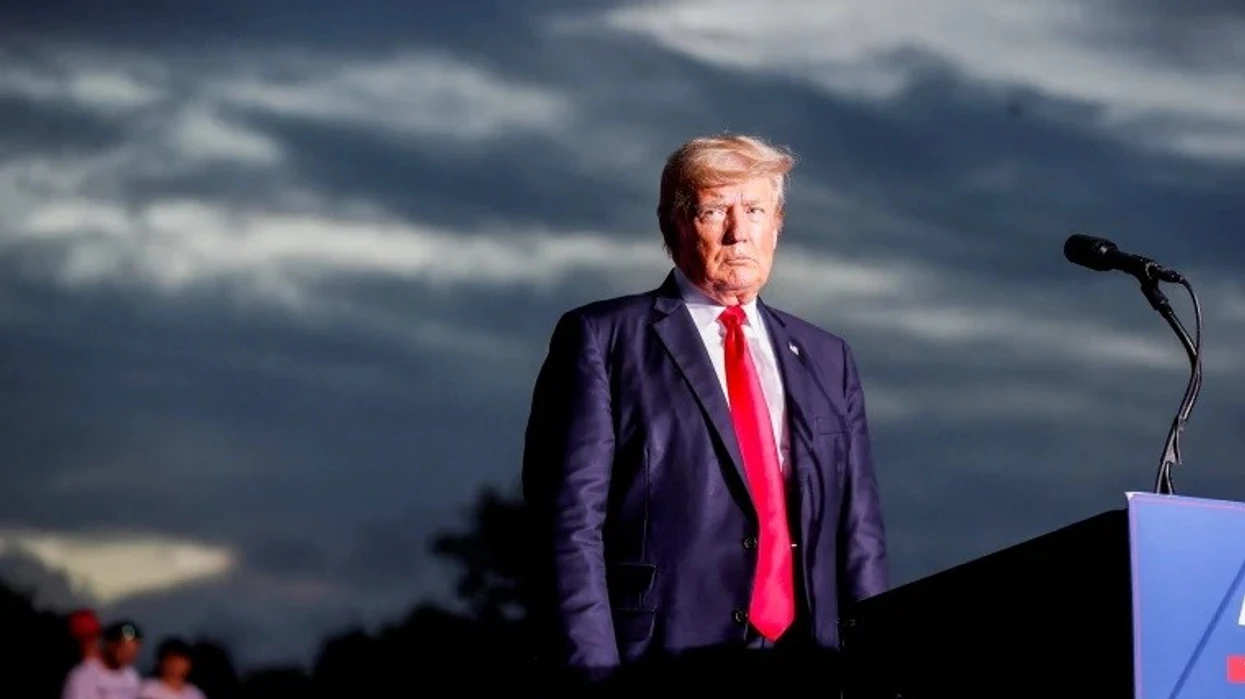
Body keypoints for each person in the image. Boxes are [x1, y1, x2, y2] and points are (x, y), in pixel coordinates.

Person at [522, 133, 888, 690]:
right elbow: (570, 526)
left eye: (755, 211)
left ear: (778, 224)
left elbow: (859, 532)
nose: (739, 232)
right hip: (660, 666)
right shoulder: (602, 339)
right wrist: (592, 678)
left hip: (811, 666)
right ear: (671, 225)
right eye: (715, 211)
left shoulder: (827, 357)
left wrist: (878, 670)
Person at [61, 619, 144, 699]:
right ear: (111, 645)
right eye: (125, 649)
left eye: (133, 651)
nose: (129, 655)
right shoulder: (83, 675)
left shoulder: (131, 676)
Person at [139, 638, 207, 699]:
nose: (176, 665)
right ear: (161, 663)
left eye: (181, 661)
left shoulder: (195, 693)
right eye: (172, 660)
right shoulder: (148, 688)